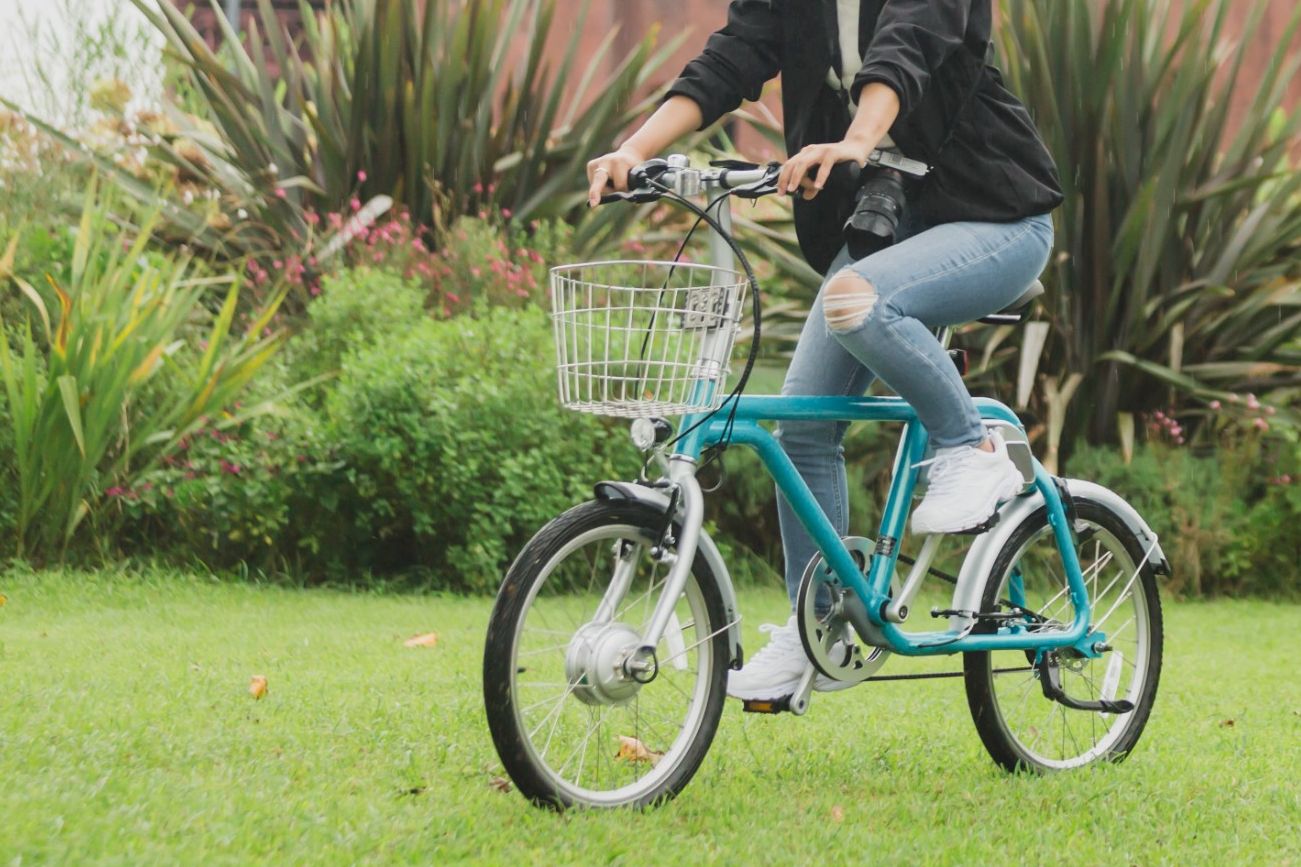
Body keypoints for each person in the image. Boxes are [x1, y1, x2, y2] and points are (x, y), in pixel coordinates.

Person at [586, 0, 1063, 701]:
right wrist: (635, 148)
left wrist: (857, 138)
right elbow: (732, 56)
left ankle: (969, 448)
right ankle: (819, 629)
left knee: (856, 299)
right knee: (801, 427)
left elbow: (907, 42)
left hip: (994, 215)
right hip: (887, 223)